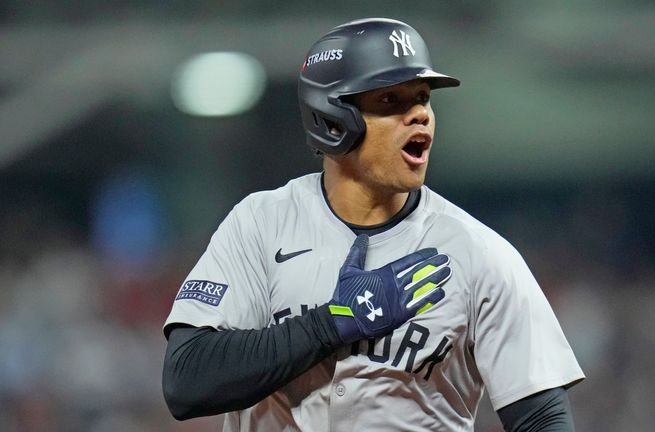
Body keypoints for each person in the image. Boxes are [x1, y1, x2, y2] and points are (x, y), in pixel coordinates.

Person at [162, 17, 584, 431]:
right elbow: (187, 383)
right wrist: (334, 322)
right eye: (390, 101)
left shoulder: (480, 254)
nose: (419, 114)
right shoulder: (261, 224)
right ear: (332, 119)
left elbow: (542, 418)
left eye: (423, 97)